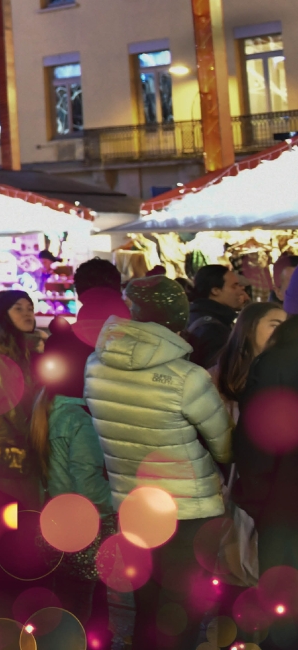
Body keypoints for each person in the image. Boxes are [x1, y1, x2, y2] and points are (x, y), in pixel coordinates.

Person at [84, 275, 231, 650]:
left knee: (146, 606)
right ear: (176, 319)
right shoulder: (187, 378)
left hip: (132, 503)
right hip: (189, 509)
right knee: (182, 612)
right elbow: (225, 445)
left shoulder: (95, 366)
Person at [29, 322, 114, 624]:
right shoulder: (81, 420)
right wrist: (122, 501)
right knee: (84, 609)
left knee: (64, 604)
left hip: (55, 525)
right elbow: (89, 487)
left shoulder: (48, 407)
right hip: (84, 533)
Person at [235, 317, 298, 649]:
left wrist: (258, 500)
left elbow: (255, 441)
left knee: (285, 604)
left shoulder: (276, 360)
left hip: (284, 505)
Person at [0, 288, 46, 504]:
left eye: (30, 309)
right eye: (18, 309)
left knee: (28, 515)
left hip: (32, 444)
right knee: (1, 514)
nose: (27, 314)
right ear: (4, 315)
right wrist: (13, 437)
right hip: (2, 449)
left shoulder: (36, 349)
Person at [212, 300, 284, 417]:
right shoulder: (211, 380)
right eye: (275, 325)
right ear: (250, 327)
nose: (283, 333)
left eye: (286, 327)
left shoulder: (285, 376)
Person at [186, 264, 251, 369]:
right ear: (215, 290)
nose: (240, 291)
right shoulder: (212, 329)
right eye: (234, 286)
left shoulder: (194, 313)